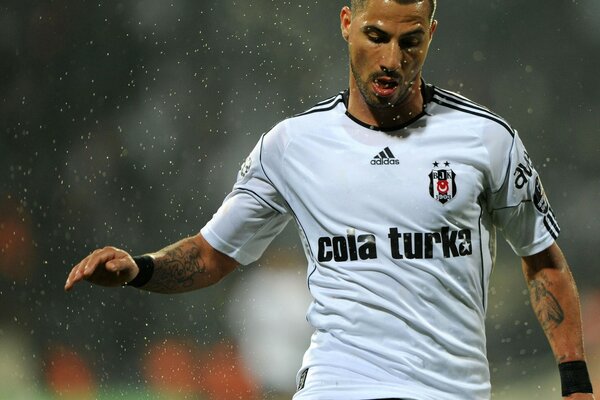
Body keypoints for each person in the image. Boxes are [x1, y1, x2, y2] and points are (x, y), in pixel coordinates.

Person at [64, 0, 594, 398]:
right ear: (346, 24)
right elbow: (211, 254)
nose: (391, 59)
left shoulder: (487, 140)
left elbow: (542, 260)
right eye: (375, 36)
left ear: (431, 35)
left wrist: (576, 383)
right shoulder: (293, 145)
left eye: (410, 42)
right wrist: (139, 267)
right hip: (338, 384)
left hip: (451, 389)